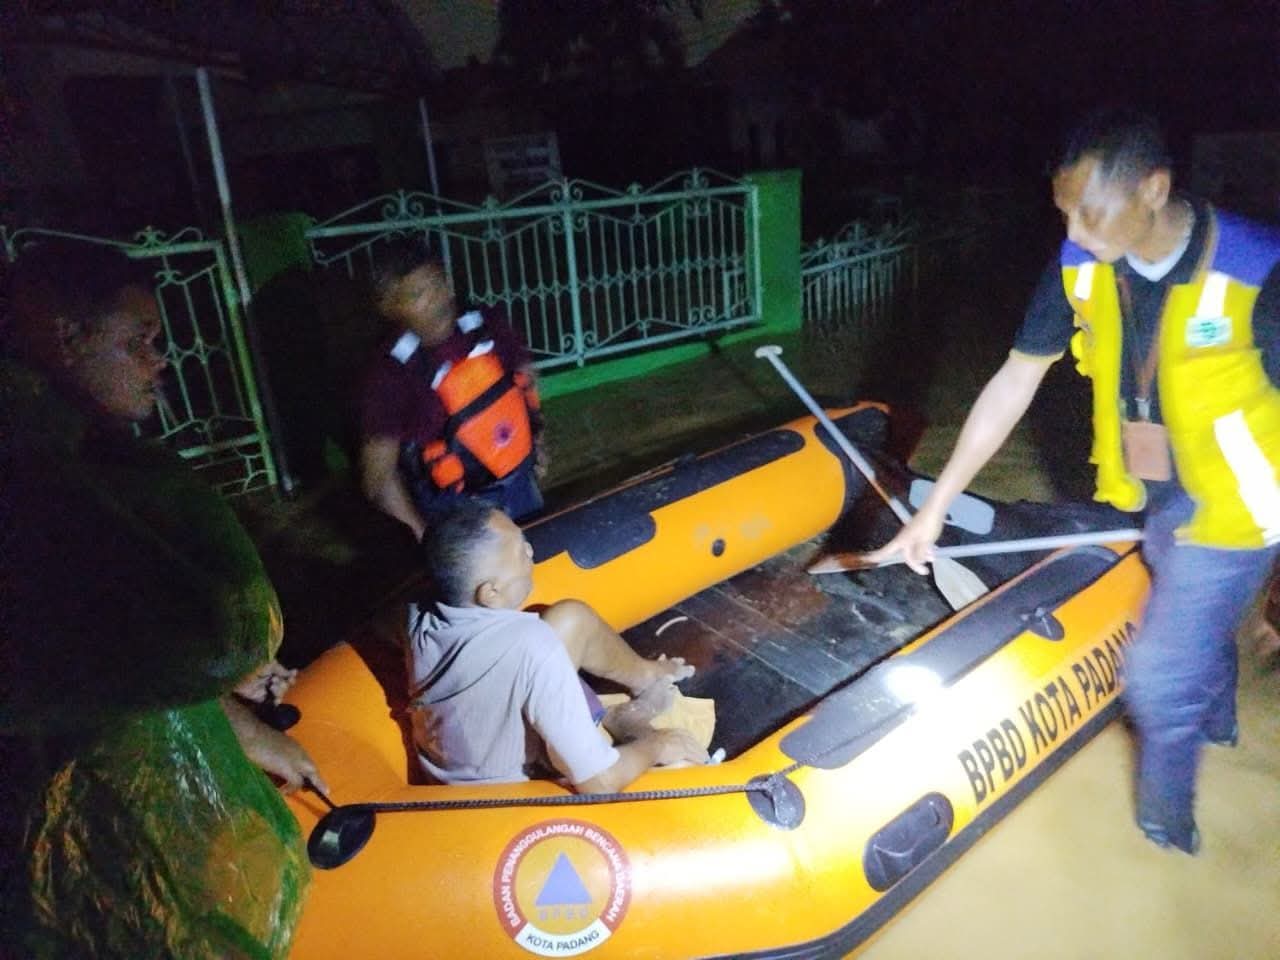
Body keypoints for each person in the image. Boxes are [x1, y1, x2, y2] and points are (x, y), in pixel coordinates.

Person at [869, 108, 1280, 855]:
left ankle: (1166, 828)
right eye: (1065, 212)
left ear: (1153, 189)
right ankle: (1216, 721)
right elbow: (1012, 382)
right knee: (1190, 619)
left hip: (1242, 503)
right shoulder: (1077, 266)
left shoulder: (1260, 267)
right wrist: (932, 511)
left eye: (1090, 212)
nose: (1076, 230)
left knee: (1156, 677)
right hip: (1147, 489)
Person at [0, 241, 326, 958]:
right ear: (65, 337)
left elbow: (112, 657)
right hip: (73, 881)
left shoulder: (73, 458)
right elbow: (224, 632)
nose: (160, 360)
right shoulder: (50, 480)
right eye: (138, 341)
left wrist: (242, 726)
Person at [407, 500, 709, 793]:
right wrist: (660, 744)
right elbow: (600, 783)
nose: (531, 552)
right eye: (520, 551)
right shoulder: (532, 643)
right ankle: (629, 720)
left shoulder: (417, 616)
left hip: (477, 747)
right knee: (674, 755)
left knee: (570, 617)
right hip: (515, 792)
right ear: (491, 592)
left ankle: (645, 675)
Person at [358, 237, 545, 541]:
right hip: (458, 509)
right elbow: (378, 477)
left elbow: (525, 380)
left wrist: (537, 443)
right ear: (389, 306)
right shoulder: (387, 375)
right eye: (419, 293)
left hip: (520, 480)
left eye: (439, 282)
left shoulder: (485, 323)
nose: (439, 297)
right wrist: (421, 534)